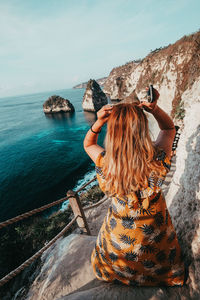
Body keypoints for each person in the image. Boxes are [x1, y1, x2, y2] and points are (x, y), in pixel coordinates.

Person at [83, 88, 185, 286]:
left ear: (113, 135)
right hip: (156, 246)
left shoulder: (106, 164)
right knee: (164, 250)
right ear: (142, 130)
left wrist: (99, 121)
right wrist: (154, 109)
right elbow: (169, 130)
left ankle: (120, 274)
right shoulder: (158, 160)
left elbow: (88, 145)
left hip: (119, 249)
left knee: (105, 242)